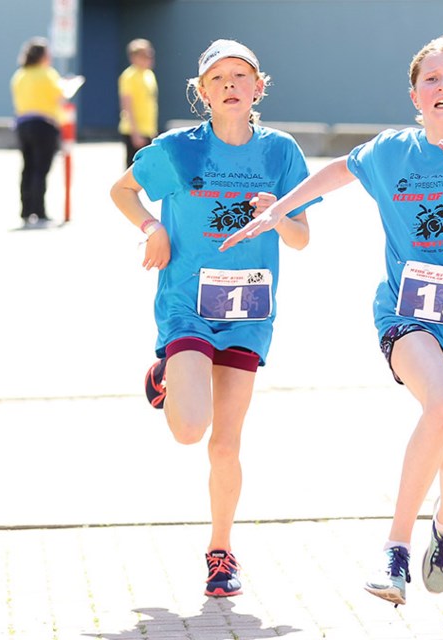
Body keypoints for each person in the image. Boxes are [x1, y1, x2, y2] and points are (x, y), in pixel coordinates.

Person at [220, 35, 443, 607]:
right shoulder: (392, 151)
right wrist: (280, 208)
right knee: (442, 407)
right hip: (407, 314)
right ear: (415, 94)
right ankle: (394, 551)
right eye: (432, 79)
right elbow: (339, 171)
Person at [109, 39, 318, 598]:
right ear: (202, 92)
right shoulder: (178, 149)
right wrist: (153, 228)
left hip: (249, 310)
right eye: (218, 78)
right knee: (188, 430)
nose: (230, 85)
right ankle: (168, 378)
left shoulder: (282, 153)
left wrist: (276, 218)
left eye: (240, 76)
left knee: (225, 444)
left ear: (258, 87)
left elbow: (301, 238)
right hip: (187, 304)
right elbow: (122, 190)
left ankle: (221, 552)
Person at [10, 37, 83, 226]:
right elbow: (62, 95)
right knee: (41, 169)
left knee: (27, 168)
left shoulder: (20, 75)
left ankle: (26, 211)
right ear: (43, 56)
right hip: (44, 124)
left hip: (22, 124)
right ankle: (39, 212)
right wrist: (71, 84)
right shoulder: (48, 74)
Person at [118, 38, 159, 168]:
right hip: (134, 131)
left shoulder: (149, 75)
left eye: (150, 54)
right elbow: (126, 105)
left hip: (148, 130)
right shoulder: (129, 76)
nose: (149, 58)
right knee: (133, 170)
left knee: (148, 170)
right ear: (134, 57)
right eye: (145, 55)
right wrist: (135, 133)